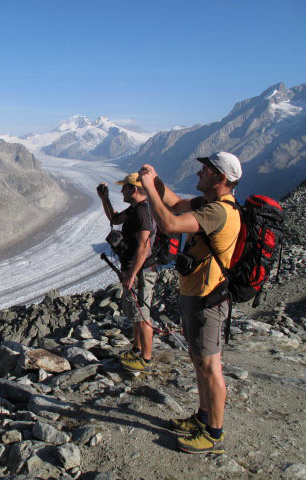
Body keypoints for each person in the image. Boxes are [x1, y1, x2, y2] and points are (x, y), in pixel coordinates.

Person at [138, 151, 242, 455]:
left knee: (210, 366)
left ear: (220, 178)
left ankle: (214, 435)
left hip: (208, 299)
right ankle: (203, 416)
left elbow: (169, 222)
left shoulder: (218, 212)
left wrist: (146, 189)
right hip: (196, 294)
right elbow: (173, 202)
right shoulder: (209, 204)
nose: (199, 173)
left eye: (206, 170)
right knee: (199, 361)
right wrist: (155, 180)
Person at [97, 173, 157, 372]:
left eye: (125, 187)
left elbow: (144, 245)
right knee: (135, 313)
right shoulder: (134, 209)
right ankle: (137, 349)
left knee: (142, 315)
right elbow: (114, 218)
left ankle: (145, 359)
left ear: (134, 189)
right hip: (132, 270)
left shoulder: (142, 212)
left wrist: (132, 273)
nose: (122, 190)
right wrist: (104, 198)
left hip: (141, 272)